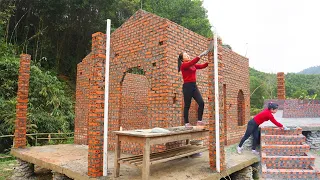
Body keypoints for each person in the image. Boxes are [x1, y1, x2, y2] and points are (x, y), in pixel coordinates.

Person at [178, 50, 209, 128]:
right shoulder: (184, 65)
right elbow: (191, 63)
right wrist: (200, 55)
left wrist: (210, 62)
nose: (188, 55)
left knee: (201, 102)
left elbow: (202, 66)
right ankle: (186, 123)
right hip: (187, 87)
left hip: (194, 86)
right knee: (187, 105)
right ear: (182, 59)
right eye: (185, 55)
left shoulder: (193, 65)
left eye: (188, 54)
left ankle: (199, 121)